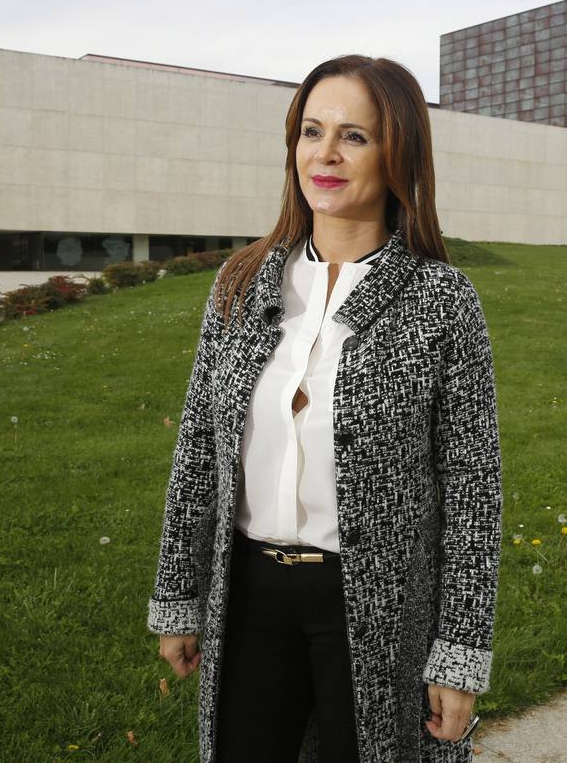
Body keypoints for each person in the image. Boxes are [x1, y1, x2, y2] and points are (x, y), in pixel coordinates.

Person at [147, 54, 503, 762]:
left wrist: (459, 653)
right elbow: (197, 450)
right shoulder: (241, 283)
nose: (326, 154)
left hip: (373, 605)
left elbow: (472, 489)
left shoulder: (441, 300)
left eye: (354, 136)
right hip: (248, 596)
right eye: (311, 132)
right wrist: (178, 597)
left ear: (397, 152)